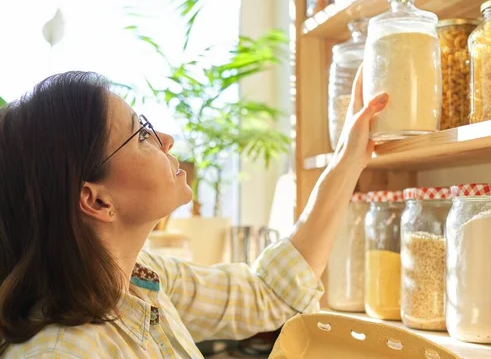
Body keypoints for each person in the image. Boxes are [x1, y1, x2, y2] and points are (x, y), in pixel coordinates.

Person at [0, 70, 388, 358]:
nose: (166, 140)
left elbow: (269, 292)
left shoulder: (140, 278)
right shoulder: (62, 353)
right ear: (97, 201)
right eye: (142, 133)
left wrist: (348, 158)